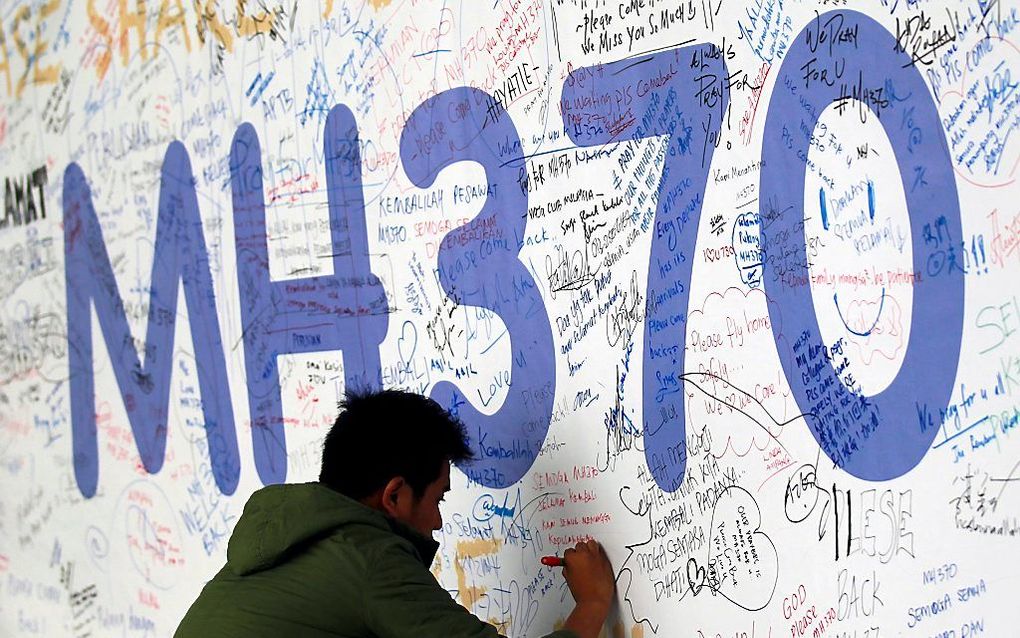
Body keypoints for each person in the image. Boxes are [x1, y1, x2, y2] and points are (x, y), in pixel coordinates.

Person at [175, 388, 616, 638]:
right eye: (438, 499)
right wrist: (593, 601)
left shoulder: (266, 556)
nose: (439, 522)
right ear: (395, 496)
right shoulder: (369, 558)